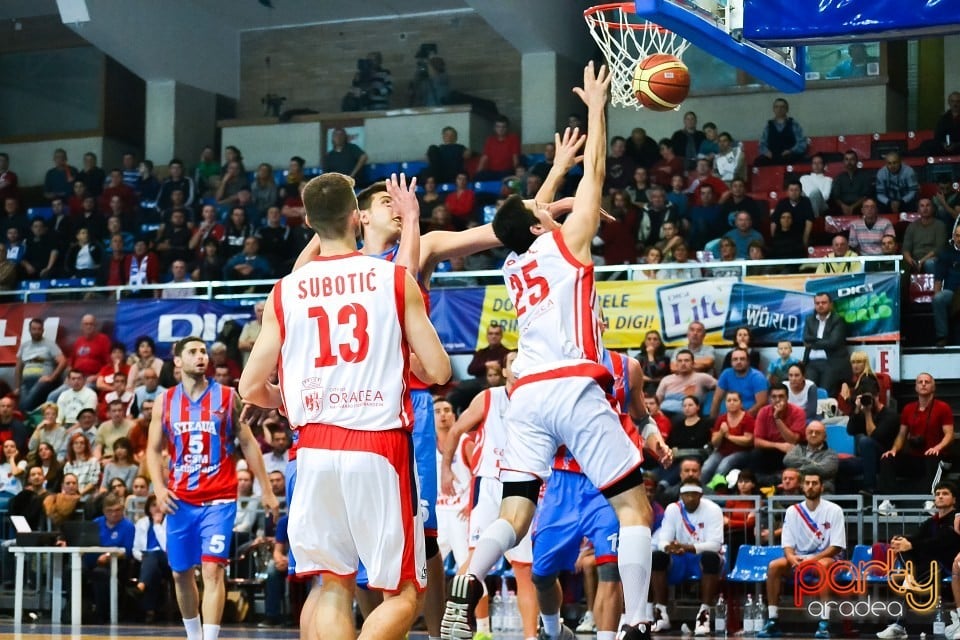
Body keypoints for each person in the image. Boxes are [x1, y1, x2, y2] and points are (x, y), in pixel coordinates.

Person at [440, 63, 654, 640]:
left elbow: (521, 215)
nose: (548, 208)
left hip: (525, 396)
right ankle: (636, 622)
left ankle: (470, 576)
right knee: (635, 508)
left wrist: (553, 174)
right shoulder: (567, 245)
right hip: (572, 385)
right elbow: (600, 174)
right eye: (542, 211)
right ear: (540, 226)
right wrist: (597, 108)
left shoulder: (514, 262)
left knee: (515, 515)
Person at [238, 170, 451, 640]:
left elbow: (250, 386)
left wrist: (286, 399)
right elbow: (439, 372)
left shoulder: (285, 290)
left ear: (310, 224)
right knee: (402, 594)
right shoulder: (393, 279)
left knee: (333, 584)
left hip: (312, 450)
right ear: (357, 217)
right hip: (378, 446)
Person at [146, 337, 279, 640]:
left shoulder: (227, 396)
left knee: (212, 570)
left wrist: (267, 489)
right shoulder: (165, 401)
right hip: (180, 500)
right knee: (180, 573)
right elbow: (153, 450)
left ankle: (210, 638)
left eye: (203, 351)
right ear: (177, 361)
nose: (201, 356)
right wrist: (158, 486)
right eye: (192, 352)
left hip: (219, 498)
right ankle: (193, 635)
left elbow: (247, 442)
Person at [439, 351, 538, 640]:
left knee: (524, 570)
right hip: (489, 485)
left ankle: (531, 636)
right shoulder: (489, 398)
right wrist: (446, 469)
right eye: (512, 363)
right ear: (505, 371)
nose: (519, 366)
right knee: (474, 558)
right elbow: (457, 430)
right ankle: (462, 622)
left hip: (524, 483)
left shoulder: (539, 397)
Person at [756, 470, 845, 639]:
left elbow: (836, 547)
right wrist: (791, 558)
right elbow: (788, 546)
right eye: (808, 483)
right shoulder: (792, 511)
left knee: (823, 565)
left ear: (822, 487)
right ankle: (773, 620)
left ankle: (824, 622)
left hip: (827, 558)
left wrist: (812, 560)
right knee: (774, 566)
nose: (811, 487)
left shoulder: (834, 510)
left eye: (815, 483)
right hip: (799, 558)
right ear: (802, 486)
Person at [875, 482, 960, 640]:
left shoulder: (955, 519)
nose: (940, 496)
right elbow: (918, 538)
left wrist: (912, 544)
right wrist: (901, 541)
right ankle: (898, 624)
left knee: (907, 581)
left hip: (947, 565)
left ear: (954, 499)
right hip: (927, 565)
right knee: (902, 559)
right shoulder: (931, 522)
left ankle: (899, 625)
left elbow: (943, 542)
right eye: (938, 493)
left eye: (945, 493)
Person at [649, 479, 723, 635]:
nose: (690, 498)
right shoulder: (673, 509)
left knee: (711, 558)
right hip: (680, 557)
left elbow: (715, 544)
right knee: (657, 557)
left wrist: (687, 547)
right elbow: (663, 540)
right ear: (681, 495)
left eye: (694, 494)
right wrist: (670, 547)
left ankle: (704, 614)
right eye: (686, 495)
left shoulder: (713, 509)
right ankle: (661, 614)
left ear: (701, 495)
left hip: (701, 555)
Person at [880, 373, 954, 495]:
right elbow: (901, 435)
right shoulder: (908, 408)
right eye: (920, 382)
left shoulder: (943, 407)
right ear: (915, 387)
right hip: (916, 458)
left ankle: (930, 499)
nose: (923, 384)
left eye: (927, 382)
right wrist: (893, 450)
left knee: (932, 456)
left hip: (938, 458)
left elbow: (949, 435)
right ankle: (888, 501)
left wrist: (937, 448)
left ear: (933, 387)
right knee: (887, 458)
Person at [84, 492, 136, 623]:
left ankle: (102, 615)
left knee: (100, 573)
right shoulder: (96, 523)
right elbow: (87, 542)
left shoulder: (128, 526)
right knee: (72, 570)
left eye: (118, 510)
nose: (114, 514)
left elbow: (127, 551)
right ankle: (74, 610)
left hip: (116, 564)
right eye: (110, 511)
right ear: (104, 511)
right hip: (92, 560)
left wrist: (108, 556)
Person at [749, 384, 807, 480]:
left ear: (787, 398)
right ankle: (759, 483)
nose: (777, 400)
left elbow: (792, 440)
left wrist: (777, 418)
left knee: (795, 453)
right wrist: (778, 445)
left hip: (792, 449)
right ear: (769, 399)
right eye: (774, 397)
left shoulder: (798, 412)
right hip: (773, 449)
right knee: (756, 454)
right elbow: (757, 442)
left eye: (781, 396)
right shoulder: (763, 412)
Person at [801, 293, 851, 396]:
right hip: (811, 363)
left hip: (831, 363)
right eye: (817, 303)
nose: (820, 305)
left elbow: (833, 343)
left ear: (831, 304)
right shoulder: (809, 319)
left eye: (823, 303)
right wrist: (823, 340)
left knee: (825, 394)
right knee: (809, 392)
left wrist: (813, 343)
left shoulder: (838, 320)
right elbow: (806, 338)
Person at [701, 391, 756, 483]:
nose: (731, 403)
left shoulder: (747, 418)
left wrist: (728, 436)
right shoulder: (721, 419)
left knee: (724, 466)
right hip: (722, 451)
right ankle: (700, 491)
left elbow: (748, 440)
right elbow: (715, 443)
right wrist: (721, 433)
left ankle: (715, 493)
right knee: (706, 467)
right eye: (728, 400)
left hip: (742, 452)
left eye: (735, 400)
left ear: (741, 403)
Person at [130, 494, 169, 622]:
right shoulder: (142, 523)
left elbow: (166, 547)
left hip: (168, 561)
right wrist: (144, 558)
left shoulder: (170, 521)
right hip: (147, 561)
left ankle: (140, 587)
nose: (157, 508)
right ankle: (150, 612)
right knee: (153, 571)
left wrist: (157, 525)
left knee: (153, 554)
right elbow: (135, 549)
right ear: (148, 508)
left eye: (159, 504)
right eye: (153, 505)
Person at [15, 317, 67, 412]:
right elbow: (18, 368)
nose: (36, 332)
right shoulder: (24, 346)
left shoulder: (49, 344)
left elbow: (63, 361)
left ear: (43, 330)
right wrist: (17, 387)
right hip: (26, 383)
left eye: (39, 329)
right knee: (20, 405)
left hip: (42, 382)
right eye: (34, 329)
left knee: (24, 407)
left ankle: (27, 413)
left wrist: (52, 377)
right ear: (29, 330)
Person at [655, 349, 717, 418]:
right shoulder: (666, 379)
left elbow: (721, 387)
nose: (683, 363)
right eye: (680, 361)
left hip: (686, 415)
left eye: (686, 360)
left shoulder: (702, 377)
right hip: (663, 413)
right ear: (676, 364)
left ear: (693, 363)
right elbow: (657, 401)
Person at [709, 348, 768, 418]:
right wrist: (712, 422)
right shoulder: (726, 374)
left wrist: (741, 419)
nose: (738, 362)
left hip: (754, 417)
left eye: (742, 359)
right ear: (731, 362)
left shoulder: (757, 377)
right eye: (735, 359)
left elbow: (761, 403)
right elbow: (716, 399)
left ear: (748, 362)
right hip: (733, 415)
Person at [782, 421, 839, 492]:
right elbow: (787, 460)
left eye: (817, 432)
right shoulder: (798, 448)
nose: (813, 435)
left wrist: (797, 472)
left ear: (825, 437)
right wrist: (812, 463)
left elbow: (823, 470)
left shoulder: (831, 454)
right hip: (796, 492)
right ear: (806, 434)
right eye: (810, 432)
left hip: (822, 492)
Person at [902, 197, 947, 274]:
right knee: (902, 265)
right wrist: (910, 260)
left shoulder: (940, 225)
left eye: (928, 205)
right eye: (922, 206)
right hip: (915, 259)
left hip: (932, 259)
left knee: (929, 263)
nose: (925, 208)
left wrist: (921, 261)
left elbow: (939, 248)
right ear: (918, 210)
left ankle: (935, 286)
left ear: (933, 209)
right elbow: (906, 249)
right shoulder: (912, 226)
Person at [933, 225, 960, 346]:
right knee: (939, 299)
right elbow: (938, 279)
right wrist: (936, 294)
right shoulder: (946, 253)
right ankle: (942, 336)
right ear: (953, 237)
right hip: (951, 293)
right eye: (958, 236)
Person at [830, 150, 873, 216]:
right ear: (843, 162)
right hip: (842, 208)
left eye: (852, 159)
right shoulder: (839, 178)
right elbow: (836, 197)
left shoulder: (864, 176)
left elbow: (865, 196)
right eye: (846, 159)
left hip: (859, 207)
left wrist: (852, 207)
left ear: (856, 161)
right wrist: (844, 206)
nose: (849, 162)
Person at [636, 330, 671, 398]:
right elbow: (635, 376)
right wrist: (653, 379)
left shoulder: (665, 358)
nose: (652, 341)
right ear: (645, 342)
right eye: (649, 339)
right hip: (642, 391)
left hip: (660, 390)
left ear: (659, 342)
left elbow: (654, 373)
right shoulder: (638, 357)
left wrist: (650, 355)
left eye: (655, 339)